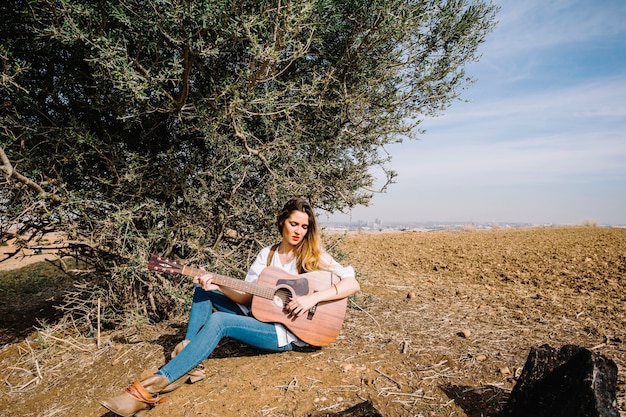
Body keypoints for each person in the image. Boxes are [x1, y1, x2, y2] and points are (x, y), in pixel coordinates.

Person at [100, 197, 360, 416]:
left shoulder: (313, 255)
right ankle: (193, 359)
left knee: (220, 322)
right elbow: (249, 298)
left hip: (290, 333)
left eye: (304, 226)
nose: (298, 231)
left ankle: (148, 389)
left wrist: (311, 299)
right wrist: (219, 285)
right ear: (282, 221)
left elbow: (351, 284)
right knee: (203, 291)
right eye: (294, 224)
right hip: (262, 317)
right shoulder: (266, 255)